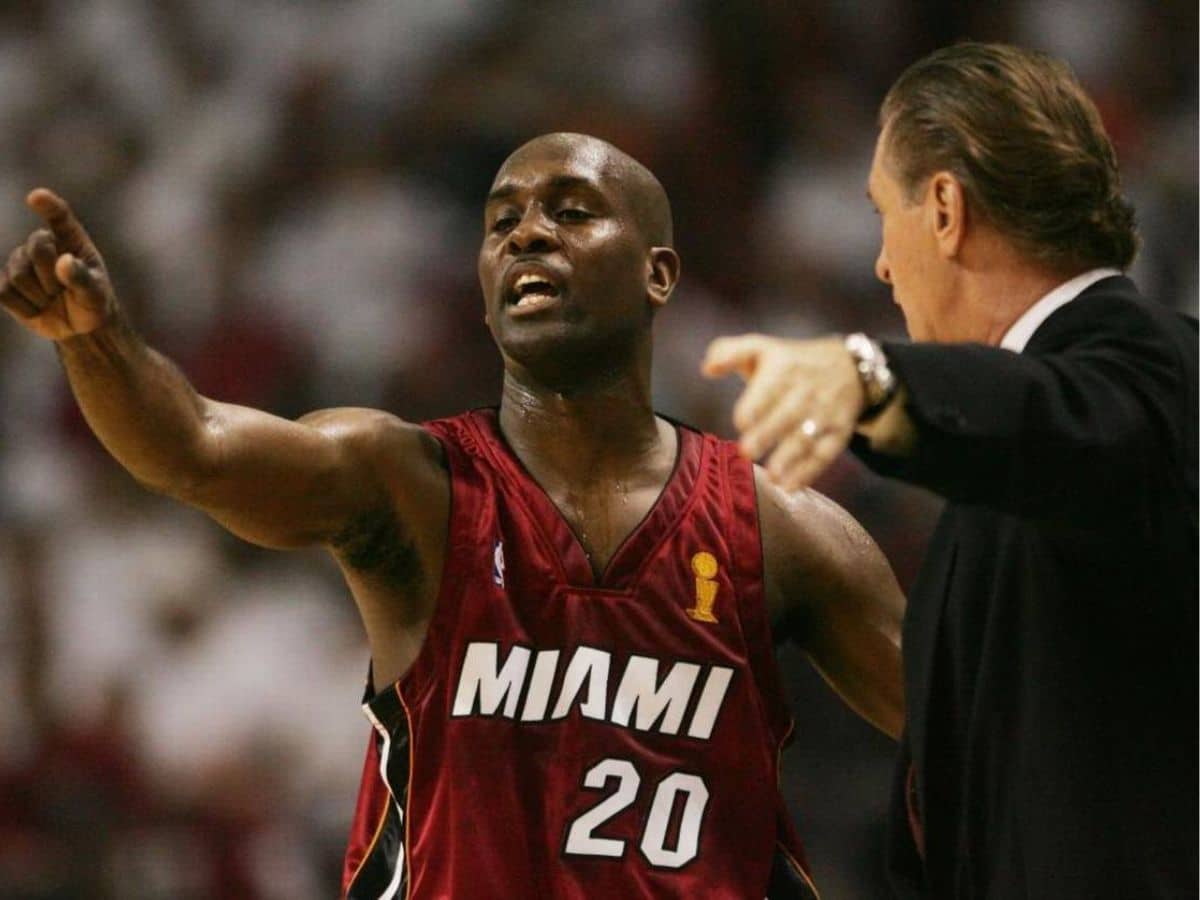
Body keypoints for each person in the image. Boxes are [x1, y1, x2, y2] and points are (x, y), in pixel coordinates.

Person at [1, 132, 905, 898]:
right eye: (502, 220)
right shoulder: (408, 482)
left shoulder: (778, 528)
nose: (528, 236)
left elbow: (979, 737)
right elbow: (190, 445)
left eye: (572, 211)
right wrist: (97, 340)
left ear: (659, 273)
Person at [703, 42, 1198, 899]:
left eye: (879, 213)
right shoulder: (1020, 467)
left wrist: (869, 379)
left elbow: (1053, 415)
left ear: (942, 208)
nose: (881, 265)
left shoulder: (1147, 367)